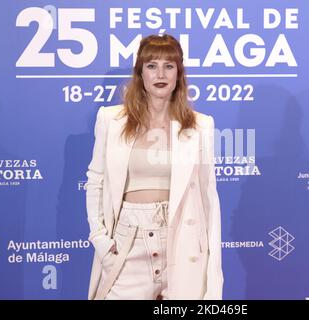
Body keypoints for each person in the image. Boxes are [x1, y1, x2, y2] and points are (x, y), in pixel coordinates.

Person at [85, 34, 223, 300]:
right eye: (152, 65)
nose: (160, 73)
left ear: (179, 74)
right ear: (140, 74)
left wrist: (213, 276)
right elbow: (95, 180)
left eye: (169, 66)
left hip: (182, 243)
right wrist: (99, 238)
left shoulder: (200, 125)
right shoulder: (110, 119)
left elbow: (208, 199)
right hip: (127, 242)